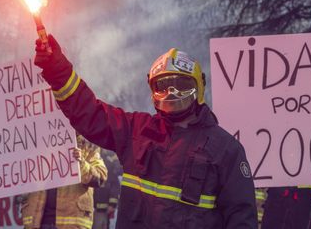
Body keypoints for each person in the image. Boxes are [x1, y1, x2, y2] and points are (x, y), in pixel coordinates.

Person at [33, 35, 257, 228]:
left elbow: (242, 219)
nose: (171, 93)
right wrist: (57, 69)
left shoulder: (226, 150)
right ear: (152, 90)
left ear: (198, 88)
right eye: (163, 86)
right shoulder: (136, 130)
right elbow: (89, 112)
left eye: (180, 85)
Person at [21, 135, 108, 229]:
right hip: (36, 222)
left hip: (72, 223)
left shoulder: (88, 145)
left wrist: (80, 164)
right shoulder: (35, 142)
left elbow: (100, 177)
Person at [93, 150, 122, 229]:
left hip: (102, 211)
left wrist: (112, 205)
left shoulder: (110, 170)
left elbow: (115, 187)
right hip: (90, 209)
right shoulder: (94, 154)